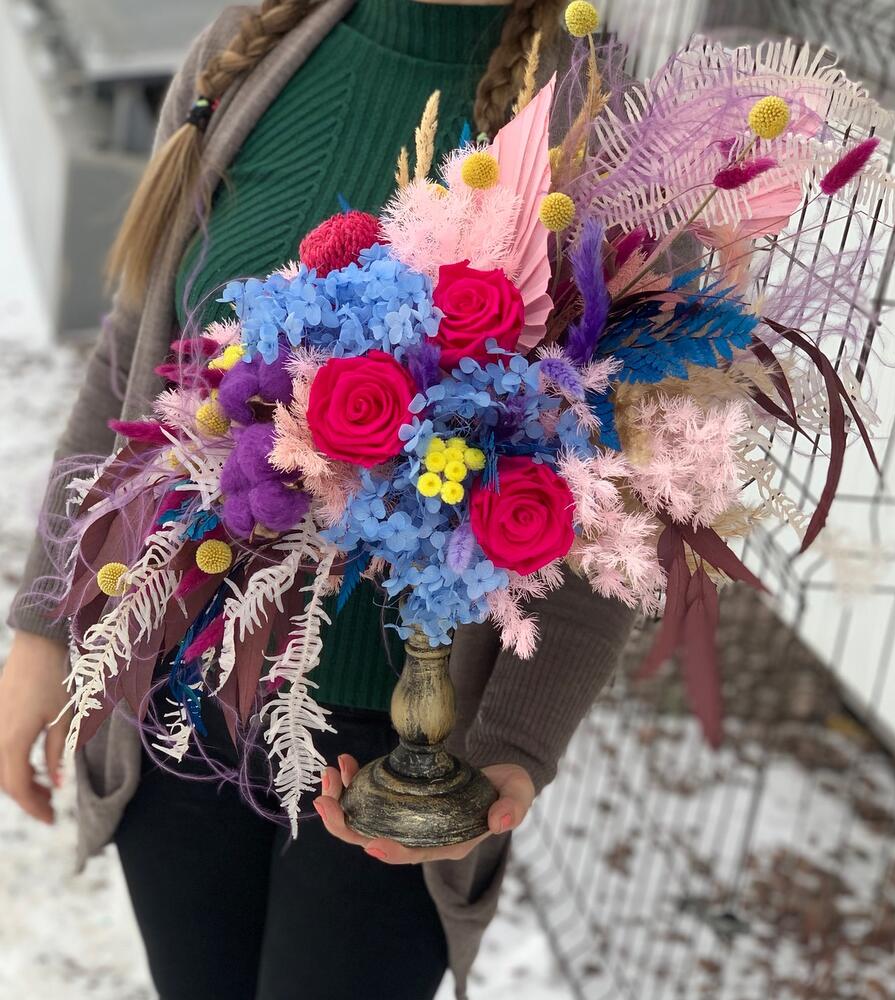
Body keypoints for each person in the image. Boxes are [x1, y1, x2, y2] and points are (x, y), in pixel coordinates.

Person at [0, 2, 635, 998]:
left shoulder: (601, 123)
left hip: (404, 762)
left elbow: (619, 488)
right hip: (181, 705)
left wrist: (512, 748)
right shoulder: (250, 52)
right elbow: (134, 353)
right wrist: (46, 627)